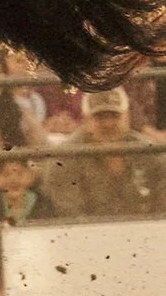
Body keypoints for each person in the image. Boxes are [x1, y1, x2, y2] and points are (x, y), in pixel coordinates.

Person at [51, 88, 161, 220]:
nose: (108, 124)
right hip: (87, 234)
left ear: (127, 118)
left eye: (114, 116)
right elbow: (71, 215)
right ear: (85, 120)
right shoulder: (65, 159)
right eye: (99, 117)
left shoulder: (148, 152)